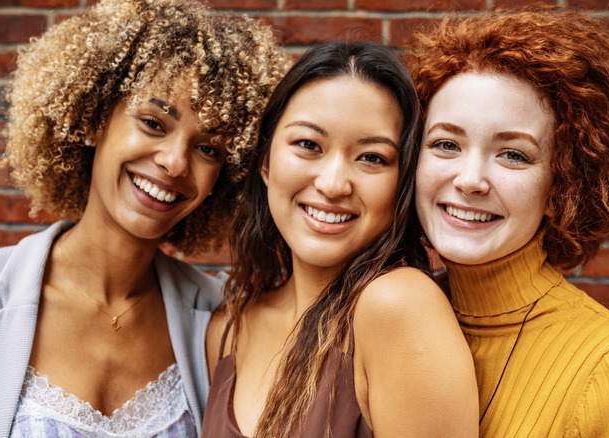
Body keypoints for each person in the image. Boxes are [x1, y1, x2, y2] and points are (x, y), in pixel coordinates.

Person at [0, 0, 288, 436]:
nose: (175, 162)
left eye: (208, 148)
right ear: (95, 118)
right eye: (154, 123)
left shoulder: (222, 321)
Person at [410, 9, 609, 437]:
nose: (469, 180)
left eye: (514, 154)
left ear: (564, 183)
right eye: (446, 144)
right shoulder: (391, 323)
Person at [201, 41, 478, 438]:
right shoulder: (228, 330)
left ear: (403, 182)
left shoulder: (399, 308)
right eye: (308, 145)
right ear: (264, 161)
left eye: (372, 157)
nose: (332, 185)